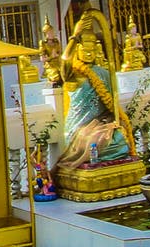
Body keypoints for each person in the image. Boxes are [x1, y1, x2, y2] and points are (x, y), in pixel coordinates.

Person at [53, 16, 134, 172]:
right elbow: (64, 60)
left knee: (119, 140)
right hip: (80, 130)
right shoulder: (73, 74)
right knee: (93, 143)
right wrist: (75, 36)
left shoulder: (102, 73)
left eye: (92, 50)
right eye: (85, 49)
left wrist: (113, 121)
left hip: (101, 124)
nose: (89, 54)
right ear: (77, 49)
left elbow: (111, 105)